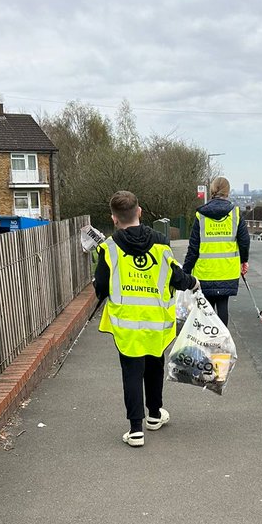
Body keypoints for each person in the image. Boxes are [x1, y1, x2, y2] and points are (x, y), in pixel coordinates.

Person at [94, 190, 198, 448]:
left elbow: (101, 288)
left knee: (131, 372)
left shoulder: (109, 248)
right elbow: (176, 277)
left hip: (126, 323)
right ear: (139, 212)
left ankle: (135, 429)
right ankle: (154, 414)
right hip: (156, 321)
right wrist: (193, 282)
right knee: (154, 365)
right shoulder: (161, 243)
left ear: (114, 218)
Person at [183, 176, 250, 326]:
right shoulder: (236, 214)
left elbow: (193, 248)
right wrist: (244, 261)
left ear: (212, 190)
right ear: (228, 192)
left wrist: (185, 272)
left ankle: (207, 342)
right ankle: (221, 343)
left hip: (204, 272)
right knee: (223, 304)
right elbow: (244, 242)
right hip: (227, 271)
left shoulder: (200, 216)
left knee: (205, 309)